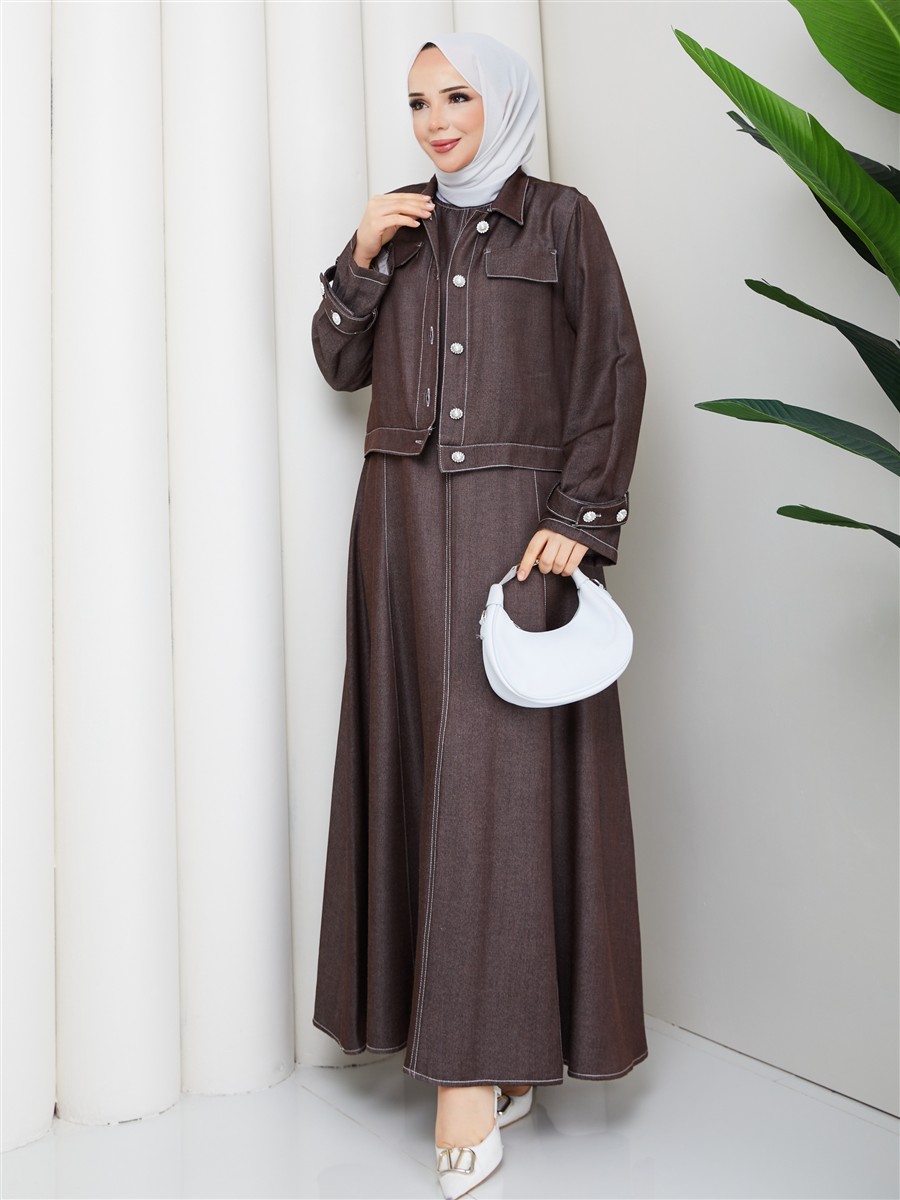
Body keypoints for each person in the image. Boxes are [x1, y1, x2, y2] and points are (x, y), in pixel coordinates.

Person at [310, 31, 647, 1199]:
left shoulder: (562, 220)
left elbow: (613, 368)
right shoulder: (400, 226)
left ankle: (468, 1069)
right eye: (418, 102)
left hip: (514, 527)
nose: (437, 120)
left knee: (500, 787)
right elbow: (338, 366)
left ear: (501, 100)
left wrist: (580, 514)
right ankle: (485, 1054)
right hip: (398, 528)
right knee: (420, 769)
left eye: (456, 96)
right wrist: (358, 256)